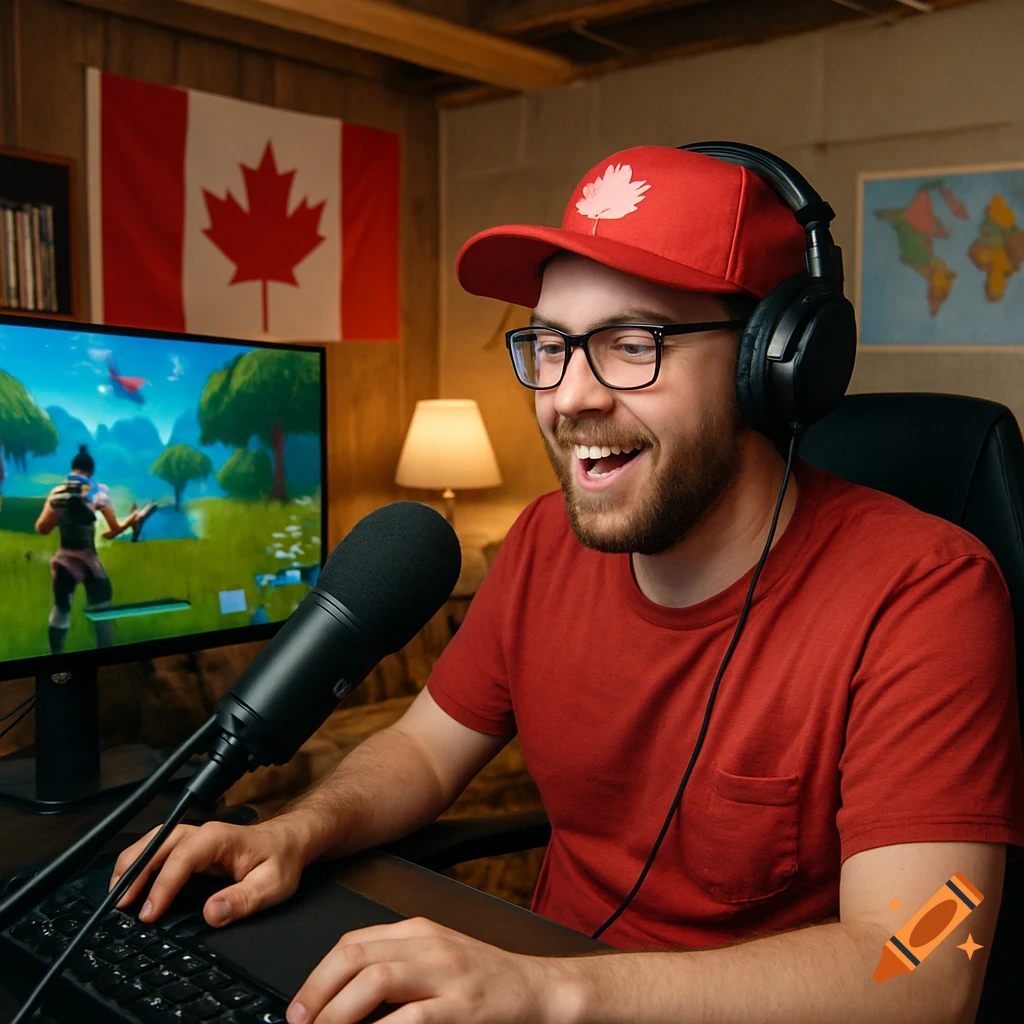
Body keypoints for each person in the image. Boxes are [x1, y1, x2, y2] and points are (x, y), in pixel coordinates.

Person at [112, 146, 1024, 1024]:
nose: (569, 397)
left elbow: (927, 968)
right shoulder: (544, 542)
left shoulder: (928, 593)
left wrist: (553, 992)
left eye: (631, 343)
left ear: (771, 366)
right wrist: (294, 831)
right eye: (551, 345)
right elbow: (423, 752)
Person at [35, 445, 141, 653]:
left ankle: (55, 659)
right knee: (102, 612)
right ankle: (106, 661)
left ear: (72, 468)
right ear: (90, 471)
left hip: (64, 561)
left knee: (61, 611)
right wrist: (132, 519)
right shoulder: (97, 493)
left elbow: (42, 528)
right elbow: (114, 529)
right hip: (89, 561)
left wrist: (64, 515)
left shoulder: (56, 493)